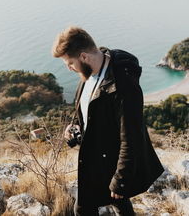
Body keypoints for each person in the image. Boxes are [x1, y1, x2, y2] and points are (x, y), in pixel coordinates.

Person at [52, 26, 164, 216]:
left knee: (83, 209)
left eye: (70, 63)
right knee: (118, 204)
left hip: (112, 162)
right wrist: (75, 129)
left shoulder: (123, 86)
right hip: (95, 157)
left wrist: (121, 180)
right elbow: (90, 115)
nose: (68, 68)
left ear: (84, 57)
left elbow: (132, 136)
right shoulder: (88, 75)